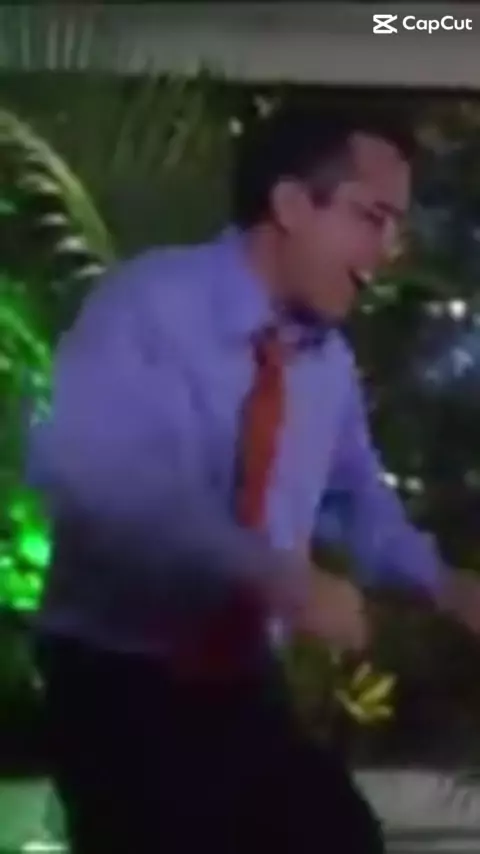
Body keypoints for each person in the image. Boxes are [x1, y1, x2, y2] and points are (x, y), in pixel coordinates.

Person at [29, 102, 480, 853]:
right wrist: (277, 578)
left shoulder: (326, 366)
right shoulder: (146, 308)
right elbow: (107, 485)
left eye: (397, 226)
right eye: (372, 217)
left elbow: (356, 502)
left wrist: (444, 583)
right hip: (118, 680)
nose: (388, 250)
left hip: (241, 680)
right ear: (292, 204)